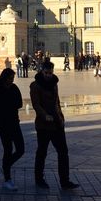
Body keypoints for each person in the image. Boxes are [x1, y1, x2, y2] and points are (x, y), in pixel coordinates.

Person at [30, 59, 79, 190]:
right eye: (46, 73)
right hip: (44, 125)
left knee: (63, 152)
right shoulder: (35, 85)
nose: (48, 75)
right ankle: (39, 179)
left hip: (57, 123)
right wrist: (45, 115)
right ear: (42, 71)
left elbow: (57, 102)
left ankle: (65, 181)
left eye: (50, 73)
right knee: (42, 152)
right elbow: (36, 104)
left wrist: (61, 117)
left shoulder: (54, 84)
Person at [0, 68, 24, 191]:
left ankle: (6, 166)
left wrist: (8, 104)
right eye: (10, 78)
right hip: (3, 125)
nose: (11, 81)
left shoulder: (14, 88)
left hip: (14, 123)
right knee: (8, 149)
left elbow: (20, 103)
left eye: (12, 78)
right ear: (4, 77)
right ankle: (7, 179)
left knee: (21, 149)